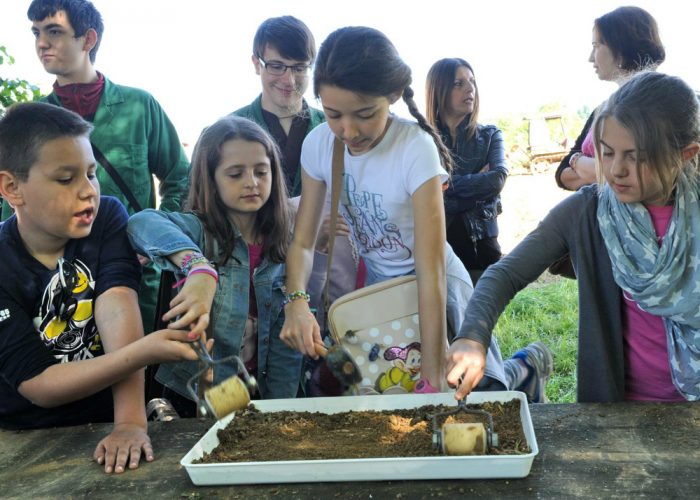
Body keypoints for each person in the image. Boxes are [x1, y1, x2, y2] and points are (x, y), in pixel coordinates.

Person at [280, 26, 535, 396]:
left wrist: (433, 369)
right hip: (381, 293)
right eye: (333, 114)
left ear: (394, 95)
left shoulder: (414, 148)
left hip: (438, 286)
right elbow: (302, 243)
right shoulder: (319, 145)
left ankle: (522, 370)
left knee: (470, 390)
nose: (348, 131)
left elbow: (430, 267)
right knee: (393, 391)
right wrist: (296, 303)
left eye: (365, 114)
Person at [448, 71, 700, 403]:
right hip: (619, 414)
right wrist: (472, 338)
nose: (615, 170)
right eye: (607, 153)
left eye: (636, 157)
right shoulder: (587, 212)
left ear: (685, 155)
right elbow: (504, 273)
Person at [0, 102, 201, 473]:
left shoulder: (106, 218)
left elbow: (116, 304)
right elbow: (37, 383)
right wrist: (144, 352)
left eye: (91, 174)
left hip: (108, 419)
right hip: (26, 433)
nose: (87, 191)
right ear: (13, 187)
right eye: (66, 179)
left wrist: (129, 422)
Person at [12, 0, 191, 335]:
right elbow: (12, 200)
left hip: (136, 275)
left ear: (88, 39)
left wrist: (153, 241)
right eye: (36, 32)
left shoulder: (140, 106)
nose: (41, 43)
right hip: (56, 284)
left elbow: (181, 177)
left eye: (54, 31)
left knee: (137, 369)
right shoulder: (29, 119)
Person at [128, 116, 303, 415]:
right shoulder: (198, 230)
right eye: (235, 174)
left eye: (262, 171)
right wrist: (198, 267)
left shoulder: (287, 243)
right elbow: (140, 222)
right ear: (211, 179)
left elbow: (285, 347)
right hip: (194, 398)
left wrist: (279, 412)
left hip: (258, 394)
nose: (252, 182)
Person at [555, 6, 664, 192]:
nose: (591, 58)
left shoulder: (673, 103)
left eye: (596, 46)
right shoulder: (603, 110)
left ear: (620, 48)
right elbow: (562, 175)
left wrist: (579, 162)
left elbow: (656, 172)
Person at [425, 58, 507, 284]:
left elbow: (496, 180)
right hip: (438, 249)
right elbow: (418, 194)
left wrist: (442, 186)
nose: (470, 88)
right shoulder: (421, 140)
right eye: (458, 84)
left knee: (483, 316)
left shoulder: (491, 135)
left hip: (482, 248)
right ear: (438, 89)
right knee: (445, 318)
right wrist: (476, 185)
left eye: (472, 81)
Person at [231, 15, 325, 198]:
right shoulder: (225, 132)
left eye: (299, 68)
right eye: (276, 66)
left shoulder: (333, 129)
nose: (288, 80)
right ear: (257, 64)